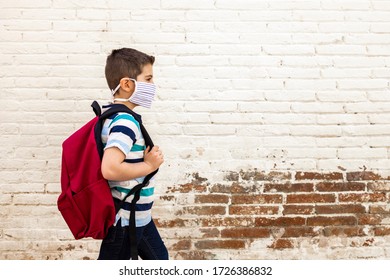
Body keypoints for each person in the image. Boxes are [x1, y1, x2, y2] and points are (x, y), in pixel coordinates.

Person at [97, 48, 168, 260]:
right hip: (125, 220)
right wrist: (149, 165)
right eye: (148, 78)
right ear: (127, 84)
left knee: (160, 261)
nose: (153, 85)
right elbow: (109, 168)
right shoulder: (124, 122)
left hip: (139, 216)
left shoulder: (116, 116)